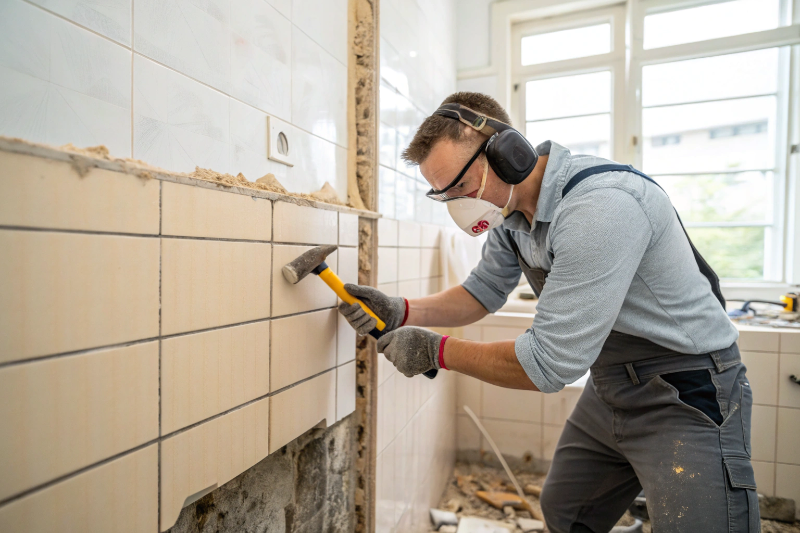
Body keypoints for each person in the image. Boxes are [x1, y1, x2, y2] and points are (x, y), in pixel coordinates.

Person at [339, 92, 759, 532]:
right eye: (444, 195)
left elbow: (548, 363)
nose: (457, 205)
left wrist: (435, 351)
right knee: (568, 511)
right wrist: (402, 310)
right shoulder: (513, 216)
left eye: (460, 187)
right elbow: (481, 292)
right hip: (612, 383)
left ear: (507, 154)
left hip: (686, 386)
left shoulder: (601, 207)